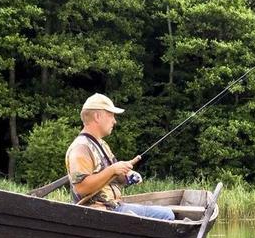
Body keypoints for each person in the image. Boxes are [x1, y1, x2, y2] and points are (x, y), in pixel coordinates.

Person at [65, 93, 174, 221]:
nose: (114, 121)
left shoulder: (101, 144)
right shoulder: (81, 148)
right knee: (167, 215)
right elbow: (82, 188)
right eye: (111, 115)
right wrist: (112, 170)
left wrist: (127, 175)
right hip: (99, 213)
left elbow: (113, 175)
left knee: (164, 212)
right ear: (97, 116)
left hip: (113, 207)